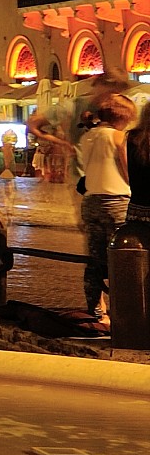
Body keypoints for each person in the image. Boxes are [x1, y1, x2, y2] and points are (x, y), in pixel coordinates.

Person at [77, 95, 137, 323]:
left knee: (94, 258)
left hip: (91, 202)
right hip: (116, 202)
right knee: (122, 258)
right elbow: (127, 170)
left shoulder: (88, 136)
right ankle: (124, 310)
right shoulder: (118, 137)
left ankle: (95, 309)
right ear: (123, 118)